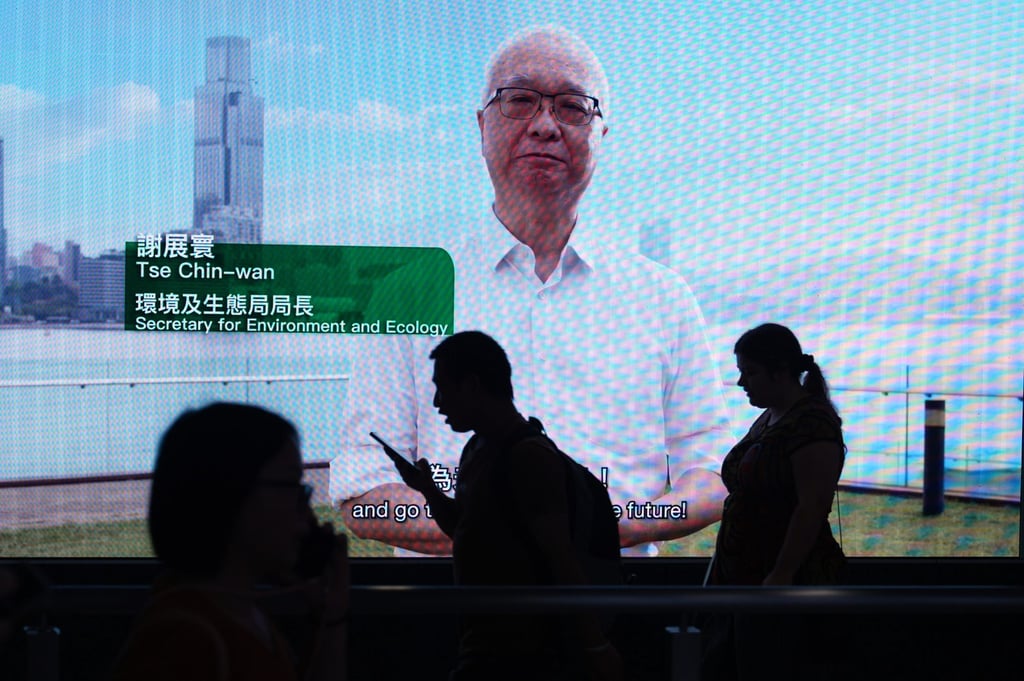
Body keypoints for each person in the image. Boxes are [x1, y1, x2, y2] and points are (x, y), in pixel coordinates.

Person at [330, 25, 733, 555]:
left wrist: (617, 523)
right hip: (453, 621)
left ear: (602, 134)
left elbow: (710, 476)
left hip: (619, 612)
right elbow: (364, 492)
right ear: (482, 126)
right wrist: (490, 533)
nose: (545, 125)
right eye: (519, 100)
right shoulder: (407, 294)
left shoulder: (663, 298)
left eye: (573, 106)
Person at [396, 330, 622, 681]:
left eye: (443, 387)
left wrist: (595, 647)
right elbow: (464, 530)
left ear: (471, 385)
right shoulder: (477, 449)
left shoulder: (529, 457)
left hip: (527, 655)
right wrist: (428, 490)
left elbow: (561, 559)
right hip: (484, 644)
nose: (438, 402)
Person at [112, 403, 348, 681]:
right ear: (233, 497)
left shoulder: (239, 614)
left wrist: (330, 616)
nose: (308, 517)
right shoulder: (186, 640)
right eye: (294, 491)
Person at [703, 323, 845, 680]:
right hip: (749, 577)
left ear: (780, 372)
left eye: (749, 372)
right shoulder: (769, 418)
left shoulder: (813, 424)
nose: (741, 383)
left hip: (782, 582)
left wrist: (781, 574)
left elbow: (811, 506)